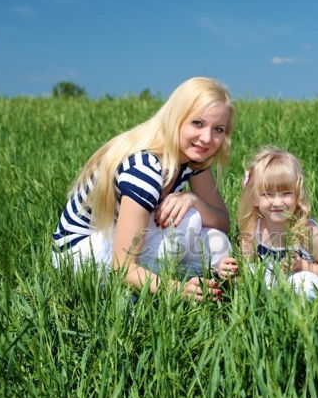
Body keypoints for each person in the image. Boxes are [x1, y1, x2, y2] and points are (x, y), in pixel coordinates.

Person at [52, 77, 238, 301]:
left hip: (118, 247)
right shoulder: (145, 168)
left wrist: (193, 200)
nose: (207, 138)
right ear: (176, 119)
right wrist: (177, 291)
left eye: (218, 129)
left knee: (214, 238)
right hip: (80, 256)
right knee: (188, 221)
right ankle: (132, 301)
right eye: (197, 123)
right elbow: (123, 267)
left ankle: (185, 285)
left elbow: (222, 223)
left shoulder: (193, 159)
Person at [237, 146, 318, 300]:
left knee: (300, 281)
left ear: (298, 195)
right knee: (252, 272)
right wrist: (231, 274)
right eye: (268, 194)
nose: (277, 202)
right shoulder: (252, 231)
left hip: (306, 292)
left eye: (286, 193)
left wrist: (304, 266)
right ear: (255, 198)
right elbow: (245, 272)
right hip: (272, 295)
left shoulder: (307, 231)